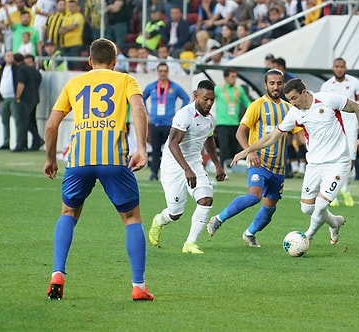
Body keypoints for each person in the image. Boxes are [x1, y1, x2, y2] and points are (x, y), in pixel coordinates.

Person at [42, 38, 153, 301]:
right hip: (113, 159)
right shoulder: (125, 80)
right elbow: (138, 108)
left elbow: (51, 125)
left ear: (89, 61)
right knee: (132, 219)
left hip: (79, 159)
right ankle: (138, 286)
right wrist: (141, 148)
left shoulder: (74, 83)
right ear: (115, 61)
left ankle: (57, 273)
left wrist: (50, 159)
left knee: (68, 212)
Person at [231, 78, 359, 246]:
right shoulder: (295, 113)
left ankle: (307, 237)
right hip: (314, 165)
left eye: (294, 98)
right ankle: (334, 222)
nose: (292, 103)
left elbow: (358, 108)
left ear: (304, 92)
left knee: (321, 204)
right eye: (289, 100)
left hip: (338, 163)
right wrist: (247, 150)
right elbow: (273, 136)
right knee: (307, 208)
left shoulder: (327, 99)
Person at [207, 69, 301, 247]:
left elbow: (300, 133)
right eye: (271, 83)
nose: (275, 86)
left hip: (279, 168)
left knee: (269, 210)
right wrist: (250, 152)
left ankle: (249, 233)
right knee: (253, 196)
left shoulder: (290, 109)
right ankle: (218, 219)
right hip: (259, 162)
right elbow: (240, 132)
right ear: (265, 85)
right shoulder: (257, 105)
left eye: (279, 83)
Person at [148, 80, 226, 254]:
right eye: (205, 99)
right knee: (175, 213)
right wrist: (186, 169)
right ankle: (159, 221)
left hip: (194, 164)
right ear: (196, 96)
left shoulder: (211, 119)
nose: (209, 103)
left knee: (206, 199)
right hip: (174, 166)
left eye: (212, 99)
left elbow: (209, 141)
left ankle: (190, 243)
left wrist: (218, 165)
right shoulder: (185, 115)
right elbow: (173, 144)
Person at [319, 57, 359, 207]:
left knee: (350, 160)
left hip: (351, 126)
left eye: (342, 66)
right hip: (334, 127)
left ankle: (346, 189)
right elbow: (322, 108)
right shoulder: (326, 86)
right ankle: (332, 192)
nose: (339, 69)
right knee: (333, 159)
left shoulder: (354, 83)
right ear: (333, 68)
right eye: (336, 66)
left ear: (346, 67)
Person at [143, 62, 190, 181]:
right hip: (155, 123)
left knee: (172, 150)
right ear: (157, 72)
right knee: (155, 150)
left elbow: (186, 98)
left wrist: (178, 114)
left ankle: (172, 174)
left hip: (169, 125)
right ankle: (154, 173)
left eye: (165, 71)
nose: (163, 73)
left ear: (168, 72)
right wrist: (146, 113)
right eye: (161, 71)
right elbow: (141, 98)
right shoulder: (152, 86)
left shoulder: (174, 87)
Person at [213, 67, 251, 168]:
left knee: (234, 147)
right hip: (222, 122)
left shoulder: (239, 90)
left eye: (235, 77)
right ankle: (220, 167)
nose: (234, 79)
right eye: (232, 77)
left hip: (235, 123)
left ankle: (232, 167)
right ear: (225, 78)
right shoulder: (218, 89)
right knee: (223, 146)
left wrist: (255, 110)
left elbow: (247, 103)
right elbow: (209, 99)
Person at [23, 54, 44, 150]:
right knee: (32, 121)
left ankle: (37, 138)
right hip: (35, 99)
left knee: (26, 121)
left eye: (29, 62)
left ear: (33, 63)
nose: (27, 64)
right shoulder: (36, 73)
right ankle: (35, 142)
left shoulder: (32, 73)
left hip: (28, 100)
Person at [0, 51, 17, 150]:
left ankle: (19, 143)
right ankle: (6, 141)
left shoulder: (17, 69)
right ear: (4, 58)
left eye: (11, 56)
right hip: (3, 99)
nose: (10, 57)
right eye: (8, 56)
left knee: (18, 121)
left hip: (14, 98)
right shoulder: (1, 69)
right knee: (5, 121)